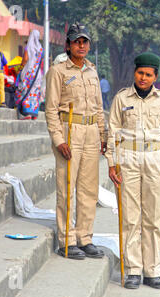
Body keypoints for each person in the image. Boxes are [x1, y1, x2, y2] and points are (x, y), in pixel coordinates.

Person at [106, 52, 160, 290]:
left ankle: (152, 270)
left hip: (155, 160)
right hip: (128, 159)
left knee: (153, 218)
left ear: (155, 76)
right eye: (140, 73)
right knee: (130, 217)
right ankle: (134, 270)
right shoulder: (121, 98)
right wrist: (112, 162)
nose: (143, 78)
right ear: (134, 73)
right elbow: (113, 131)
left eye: (148, 74)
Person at [45, 22, 107, 260]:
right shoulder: (58, 71)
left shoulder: (92, 71)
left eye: (85, 41)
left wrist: (103, 134)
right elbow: (50, 109)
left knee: (89, 190)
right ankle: (67, 240)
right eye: (76, 41)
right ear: (68, 44)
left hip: (91, 131)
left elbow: (100, 108)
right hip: (68, 130)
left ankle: (85, 237)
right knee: (67, 187)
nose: (81, 45)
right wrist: (58, 139)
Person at [15, 29, 44, 120]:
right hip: (38, 74)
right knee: (34, 93)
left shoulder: (29, 47)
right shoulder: (40, 49)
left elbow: (25, 60)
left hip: (29, 73)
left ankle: (26, 114)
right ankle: (34, 114)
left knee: (25, 91)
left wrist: (20, 69)